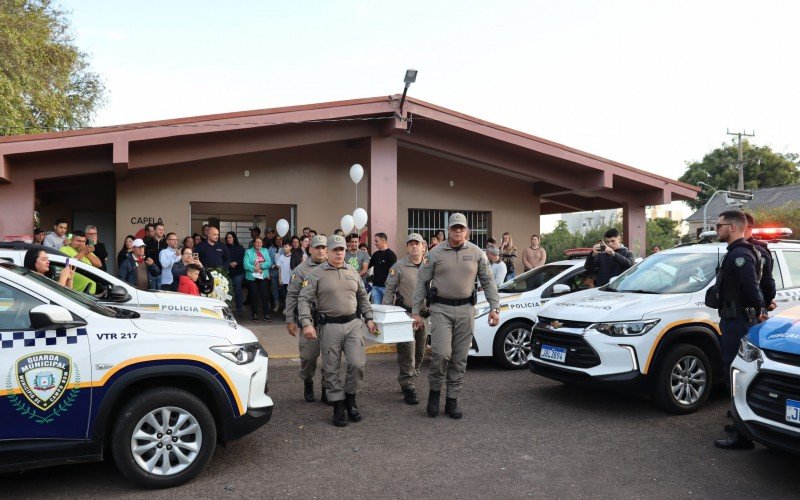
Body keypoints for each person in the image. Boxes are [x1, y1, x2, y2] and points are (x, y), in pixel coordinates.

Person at [411, 213, 500, 419]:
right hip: (441, 309)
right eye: (454, 228)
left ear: (467, 230)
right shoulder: (435, 253)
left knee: (460, 358)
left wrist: (495, 307)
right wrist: (416, 311)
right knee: (441, 354)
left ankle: (452, 400)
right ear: (448, 230)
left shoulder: (477, 253)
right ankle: (434, 394)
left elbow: (488, 281)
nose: (458, 231)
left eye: (461, 228)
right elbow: (421, 283)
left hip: (466, 311)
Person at [297, 234, 377, 427]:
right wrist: (307, 323)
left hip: (353, 325)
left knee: (357, 364)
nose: (340, 253)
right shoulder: (316, 274)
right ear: (328, 252)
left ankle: (351, 399)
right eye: (335, 250)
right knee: (331, 368)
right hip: (329, 327)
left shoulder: (353, 272)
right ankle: (338, 406)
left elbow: (362, 297)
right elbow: (303, 299)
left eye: (342, 250)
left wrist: (369, 318)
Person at [711, 210, 765, 450]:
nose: (716, 229)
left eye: (718, 225)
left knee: (735, 373)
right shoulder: (736, 253)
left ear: (732, 227)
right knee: (734, 371)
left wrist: (759, 308)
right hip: (734, 321)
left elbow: (750, 287)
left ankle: (742, 435)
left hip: (738, 323)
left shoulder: (741, 255)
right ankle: (739, 423)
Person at [383, 233, 429, 405]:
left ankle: (408, 376)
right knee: (406, 352)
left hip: (425, 316)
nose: (414, 247)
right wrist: (387, 312)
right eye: (411, 244)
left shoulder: (430, 264)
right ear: (407, 247)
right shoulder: (399, 266)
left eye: (417, 244)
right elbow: (389, 289)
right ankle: (408, 385)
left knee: (420, 353)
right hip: (406, 316)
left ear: (423, 246)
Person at [284, 235, 329, 403]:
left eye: (323, 247)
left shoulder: (333, 267)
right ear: (310, 249)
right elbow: (292, 296)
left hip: (330, 321)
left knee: (330, 358)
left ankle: (327, 387)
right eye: (317, 247)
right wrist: (290, 319)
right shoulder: (300, 270)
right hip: (309, 320)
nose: (321, 250)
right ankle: (308, 381)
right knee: (309, 357)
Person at [744, 213, 777, 318]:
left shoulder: (756, 251)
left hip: (751, 313)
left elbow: (767, 283)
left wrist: (765, 303)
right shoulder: (737, 249)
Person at [244, 236, 272, 322]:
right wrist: (255, 268)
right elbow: (246, 264)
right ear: (254, 243)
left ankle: (266, 314)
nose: (259, 244)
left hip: (263, 276)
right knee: (254, 296)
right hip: (252, 277)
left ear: (262, 243)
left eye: (260, 242)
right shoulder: (248, 252)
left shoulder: (265, 251)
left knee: (265, 296)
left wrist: (260, 266)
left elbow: (269, 262)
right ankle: (254, 314)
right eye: (257, 242)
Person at [368, 232, 397, 305]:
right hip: (375, 287)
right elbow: (367, 266)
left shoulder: (391, 255)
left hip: (387, 288)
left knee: (387, 310)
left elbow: (393, 272)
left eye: (376, 241)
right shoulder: (375, 254)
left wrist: (392, 286)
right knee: (376, 310)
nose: (375, 243)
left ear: (383, 241)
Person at [225, 231, 246, 314]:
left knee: (238, 291)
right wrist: (229, 263)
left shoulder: (240, 248)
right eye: (227, 238)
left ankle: (239, 309)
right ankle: (227, 309)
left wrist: (236, 263)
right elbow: (223, 259)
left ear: (234, 238)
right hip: (228, 272)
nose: (228, 239)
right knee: (227, 291)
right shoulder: (224, 247)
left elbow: (244, 259)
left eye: (230, 237)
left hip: (238, 272)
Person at [268, 236, 283, 311]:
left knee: (283, 289)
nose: (278, 241)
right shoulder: (271, 248)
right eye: (277, 239)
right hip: (273, 272)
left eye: (280, 239)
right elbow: (268, 259)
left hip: (283, 273)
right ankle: (277, 304)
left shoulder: (285, 248)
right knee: (274, 289)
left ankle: (283, 304)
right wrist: (273, 265)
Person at [276, 240, 293, 305]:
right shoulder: (281, 257)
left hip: (291, 280)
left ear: (290, 247)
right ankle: (286, 310)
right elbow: (279, 268)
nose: (284, 248)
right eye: (283, 247)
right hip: (283, 280)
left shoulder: (293, 256)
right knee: (284, 296)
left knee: (291, 296)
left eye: (286, 246)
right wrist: (280, 279)